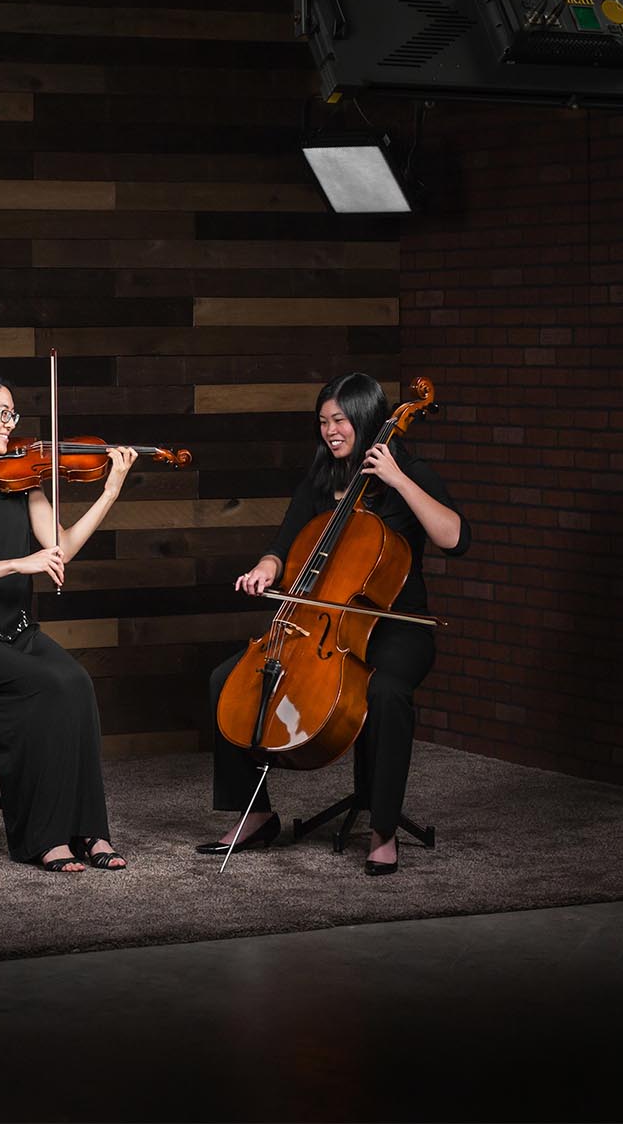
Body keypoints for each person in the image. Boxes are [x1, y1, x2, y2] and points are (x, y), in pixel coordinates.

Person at [197, 372, 470, 875]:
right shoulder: (321, 480)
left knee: (386, 692)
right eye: (323, 421)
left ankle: (383, 830)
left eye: (340, 420)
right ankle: (255, 814)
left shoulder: (410, 473)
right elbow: (282, 547)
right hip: (321, 624)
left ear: (366, 419)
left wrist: (398, 480)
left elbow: (455, 538)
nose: (330, 431)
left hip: (395, 627)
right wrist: (265, 568)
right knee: (226, 679)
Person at [0, 368, 138, 874]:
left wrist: (110, 491)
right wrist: (18, 563)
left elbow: (62, 547)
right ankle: (45, 837)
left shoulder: (19, 480)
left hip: (15, 630)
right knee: (47, 687)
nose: (10, 424)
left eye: (13, 415)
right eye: (2, 413)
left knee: (76, 683)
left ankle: (90, 830)